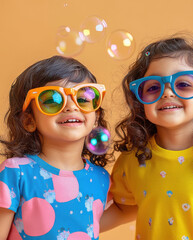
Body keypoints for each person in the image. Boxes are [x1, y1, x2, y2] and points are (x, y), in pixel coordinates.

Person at [100, 36, 193, 239]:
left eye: (183, 84)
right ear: (141, 103)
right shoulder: (133, 161)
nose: (167, 92)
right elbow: (124, 209)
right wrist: (68, 226)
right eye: (153, 87)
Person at [0, 55, 112, 240]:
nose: (71, 107)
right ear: (29, 120)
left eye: (83, 98)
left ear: (96, 117)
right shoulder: (16, 172)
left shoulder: (100, 178)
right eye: (52, 100)